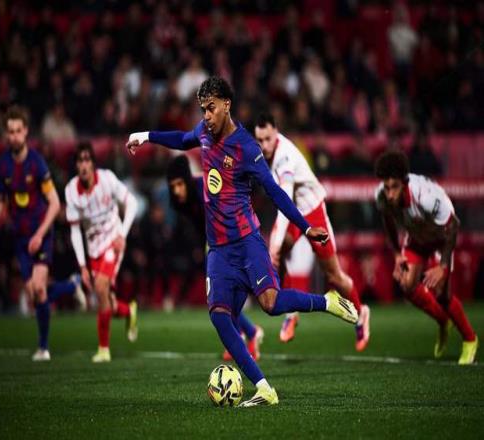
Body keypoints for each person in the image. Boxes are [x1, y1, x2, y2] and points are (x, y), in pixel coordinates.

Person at [126, 76, 358, 407]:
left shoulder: (247, 148)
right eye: (203, 109)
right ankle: (264, 388)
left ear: (227, 105)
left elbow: (275, 191)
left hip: (247, 241)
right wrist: (146, 135)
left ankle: (327, 301)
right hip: (218, 250)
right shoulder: (204, 133)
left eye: (211, 108)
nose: (206, 116)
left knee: (271, 304)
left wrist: (306, 228)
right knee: (220, 316)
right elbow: (182, 139)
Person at [254, 112, 370, 351]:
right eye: (260, 140)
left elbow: (284, 199)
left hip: (312, 211)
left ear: (276, 132)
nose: (264, 145)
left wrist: (274, 245)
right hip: (294, 213)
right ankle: (291, 313)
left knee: (334, 276)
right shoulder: (265, 154)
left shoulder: (285, 157)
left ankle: (361, 314)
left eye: (267, 139)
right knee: (278, 253)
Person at [0, 105, 85, 361]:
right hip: (20, 238)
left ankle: (43, 347)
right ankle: (71, 285)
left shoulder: (37, 164)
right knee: (34, 292)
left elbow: (54, 203)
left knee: (39, 289)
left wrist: (40, 234)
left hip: (41, 234)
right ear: (6, 134)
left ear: (26, 131)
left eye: (18, 130)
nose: (14, 136)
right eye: (10, 131)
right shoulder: (4, 165)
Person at [374, 150, 478, 365]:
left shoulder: (425, 197)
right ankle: (443, 321)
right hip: (417, 237)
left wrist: (442, 265)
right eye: (387, 187)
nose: (390, 193)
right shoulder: (382, 196)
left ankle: (470, 339)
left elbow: (453, 226)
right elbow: (388, 222)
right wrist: (397, 254)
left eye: (394, 187)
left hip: (440, 238)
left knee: (442, 295)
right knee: (407, 284)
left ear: (404, 182)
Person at [167, 155, 264, 361]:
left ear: (187, 180)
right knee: (221, 298)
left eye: (179, 184)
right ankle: (248, 333)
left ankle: (244, 336)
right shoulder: (178, 202)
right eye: (172, 186)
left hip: (232, 237)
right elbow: (198, 224)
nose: (176, 190)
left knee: (223, 297)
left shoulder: (204, 189)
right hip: (213, 242)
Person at [65, 142, 138, 363]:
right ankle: (128, 311)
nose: (84, 165)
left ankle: (104, 349)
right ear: (76, 166)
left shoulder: (107, 179)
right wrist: (82, 266)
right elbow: (75, 231)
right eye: (80, 161)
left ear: (93, 164)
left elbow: (132, 203)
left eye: (87, 160)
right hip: (93, 250)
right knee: (105, 299)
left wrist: (122, 235)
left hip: (113, 241)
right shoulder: (71, 191)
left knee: (100, 286)